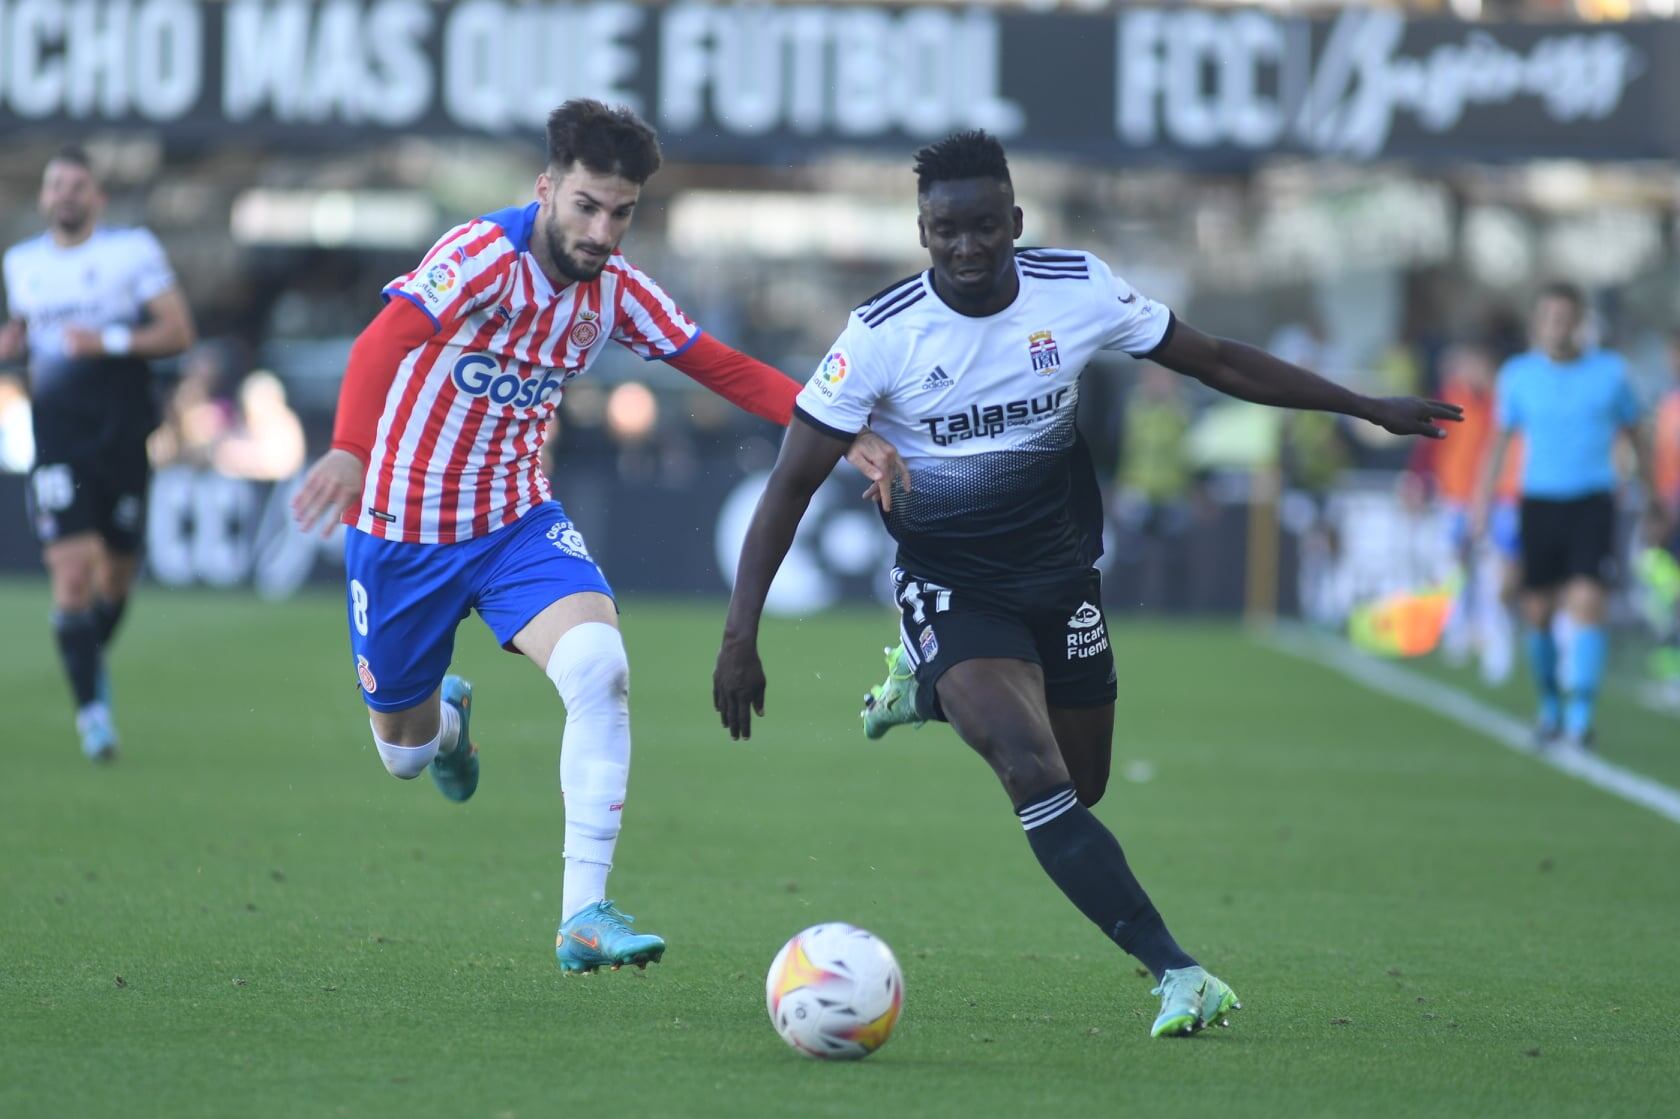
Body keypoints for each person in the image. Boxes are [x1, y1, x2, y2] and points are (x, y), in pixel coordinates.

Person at [712, 131, 1460, 1039]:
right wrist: (739, 635)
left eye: (985, 226)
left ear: (1015, 221)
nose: (967, 247)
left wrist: (1363, 405)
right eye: (947, 230)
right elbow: (790, 485)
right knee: (1030, 771)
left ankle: (927, 689)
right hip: (952, 582)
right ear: (922, 230)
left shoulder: (1079, 288)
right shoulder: (881, 335)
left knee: (1083, 781)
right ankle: (1178, 970)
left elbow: (1215, 359)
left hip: (1062, 579)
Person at [289, 100, 906, 976]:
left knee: (601, 672)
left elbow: (718, 364)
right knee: (405, 754)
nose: (603, 230)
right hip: (402, 532)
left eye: (621, 212)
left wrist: (841, 432)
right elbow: (384, 337)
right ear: (546, 188)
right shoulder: (480, 257)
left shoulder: (613, 290)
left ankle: (583, 910)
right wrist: (350, 452)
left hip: (515, 523)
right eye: (586, 205)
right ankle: (450, 726)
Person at [0, 146, 197, 761]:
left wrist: (107, 339)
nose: (64, 194)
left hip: (122, 433)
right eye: (55, 184)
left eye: (76, 185)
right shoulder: (21, 265)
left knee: (116, 576)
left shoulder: (130, 251)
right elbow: (23, 341)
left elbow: (179, 331)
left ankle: (87, 664)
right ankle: (92, 717)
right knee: (73, 572)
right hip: (58, 437)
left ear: (97, 198)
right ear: (43, 197)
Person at [1470, 283, 1657, 749]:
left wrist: (1652, 498)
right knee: (1537, 610)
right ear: (1537, 323)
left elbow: (1638, 437)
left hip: (1593, 500)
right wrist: (1481, 502)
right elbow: (1498, 444)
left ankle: (1580, 717)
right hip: (1539, 502)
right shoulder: (1518, 376)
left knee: (1588, 601)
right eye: (1549, 316)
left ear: (1579, 322)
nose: (1557, 325)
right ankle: (1551, 706)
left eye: (1565, 317)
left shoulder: (1611, 373)